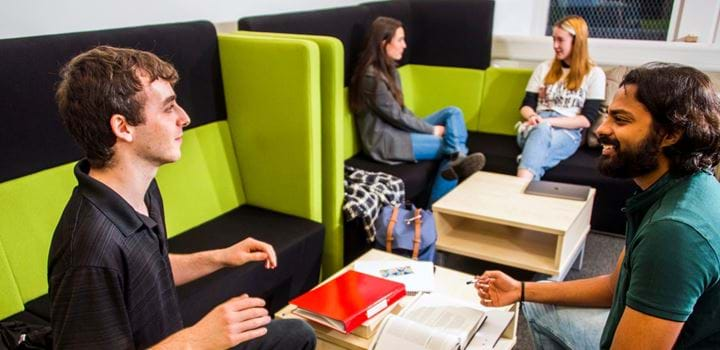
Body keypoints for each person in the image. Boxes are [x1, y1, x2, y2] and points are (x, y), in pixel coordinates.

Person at [48, 46, 316, 349]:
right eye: (168, 107)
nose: (184, 118)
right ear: (123, 127)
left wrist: (219, 258)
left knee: (297, 335)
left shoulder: (142, 190)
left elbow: (148, 273)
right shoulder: (89, 249)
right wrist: (196, 340)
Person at [475, 63, 720, 349]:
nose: (602, 129)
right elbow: (613, 288)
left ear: (671, 134)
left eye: (621, 120)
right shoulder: (684, 188)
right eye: (607, 116)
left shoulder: (674, 232)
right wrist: (521, 289)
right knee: (537, 301)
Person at [349, 16, 486, 204]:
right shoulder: (371, 77)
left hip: (398, 131)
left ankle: (457, 157)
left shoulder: (390, 70)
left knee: (453, 112)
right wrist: (432, 130)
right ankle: (436, 204)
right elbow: (396, 117)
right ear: (383, 43)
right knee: (448, 145)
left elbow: (402, 111)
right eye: (400, 40)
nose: (404, 45)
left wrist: (425, 127)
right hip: (385, 142)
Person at [516, 15, 606, 180]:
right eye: (553, 40)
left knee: (536, 150)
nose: (555, 45)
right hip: (535, 125)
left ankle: (524, 170)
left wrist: (548, 122)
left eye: (560, 40)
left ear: (577, 41)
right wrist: (533, 117)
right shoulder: (544, 68)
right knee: (541, 133)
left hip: (567, 132)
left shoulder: (594, 74)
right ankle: (526, 173)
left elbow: (586, 120)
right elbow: (526, 105)